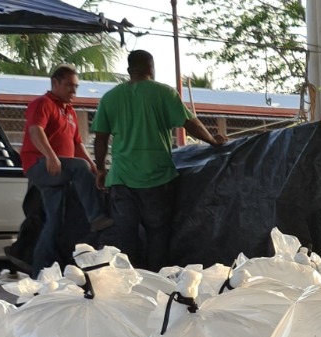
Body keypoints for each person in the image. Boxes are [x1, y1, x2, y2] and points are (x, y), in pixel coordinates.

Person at [92, 50, 227, 270]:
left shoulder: (110, 97)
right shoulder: (164, 93)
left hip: (121, 179)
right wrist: (213, 141)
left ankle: (132, 280)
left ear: (129, 70)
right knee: (157, 232)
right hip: (156, 177)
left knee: (127, 234)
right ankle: (156, 278)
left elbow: (101, 139)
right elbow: (189, 123)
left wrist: (100, 169)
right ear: (150, 68)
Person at [21, 65, 111, 275]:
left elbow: (77, 144)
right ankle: (96, 217)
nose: (74, 90)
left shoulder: (69, 111)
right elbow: (35, 130)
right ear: (55, 83)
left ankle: (40, 271)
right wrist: (50, 156)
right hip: (40, 165)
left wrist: (95, 168)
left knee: (55, 222)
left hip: (59, 170)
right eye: (69, 85)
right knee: (79, 167)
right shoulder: (42, 103)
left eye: (76, 86)